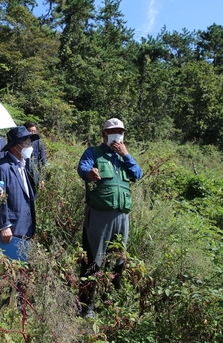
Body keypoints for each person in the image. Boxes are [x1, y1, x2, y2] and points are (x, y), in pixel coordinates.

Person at [76, 118, 143, 318]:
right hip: (98, 215)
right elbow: (83, 168)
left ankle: (109, 302)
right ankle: (86, 306)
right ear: (104, 134)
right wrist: (91, 173)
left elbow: (137, 174)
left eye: (120, 132)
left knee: (118, 260)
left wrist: (126, 154)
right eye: (113, 132)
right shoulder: (93, 152)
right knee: (93, 260)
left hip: (122, 216)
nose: (117, 135)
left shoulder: (123, 157)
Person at [0, 126, 40, 252]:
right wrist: (4, 225)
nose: (29, 147)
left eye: (30, 143)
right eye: (26, 143)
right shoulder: (2, 168)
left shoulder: (23, 166)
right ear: (15, 146)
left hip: (25, 226)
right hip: (11, 229)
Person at [23, 121, 47, 192]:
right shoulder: (20, 143)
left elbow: (43, 162)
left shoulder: (39, 144)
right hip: (23, 174)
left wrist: (42, 178)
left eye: (34, 131)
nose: (33, 133)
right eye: (30, 131)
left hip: (34, 176)